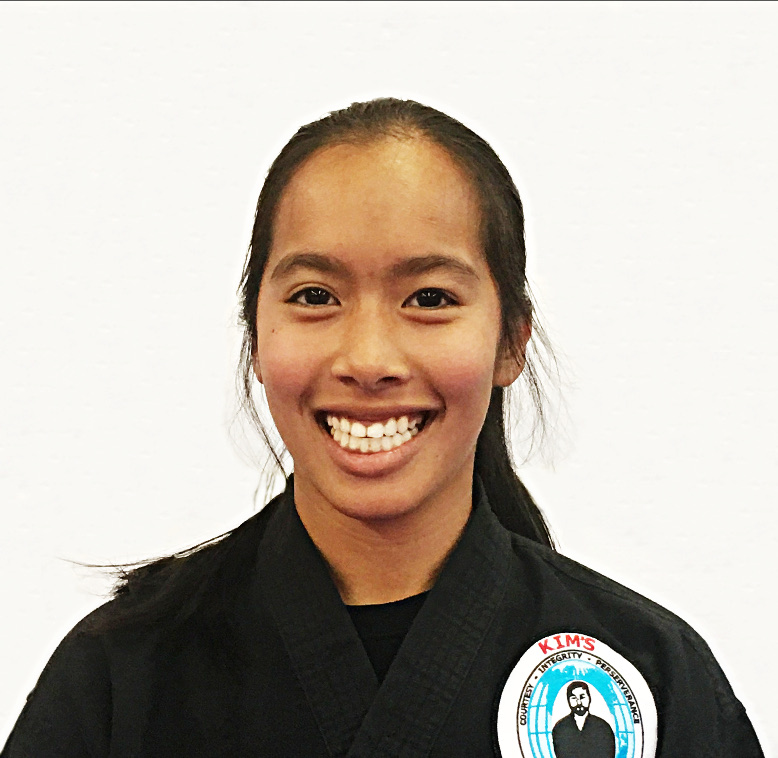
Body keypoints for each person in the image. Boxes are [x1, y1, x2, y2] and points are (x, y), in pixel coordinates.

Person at [1, 98, 764, 757]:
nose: (368, 359)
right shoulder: (123, 675)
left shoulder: (650, 673)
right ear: (256, 337)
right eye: (315, 296)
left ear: (510, 342)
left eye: (429, 299)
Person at [552, 681, 615, 758]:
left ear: (589, 698)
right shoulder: (560, 728)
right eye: (574, 698)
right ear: (568, 700)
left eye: (582, 697)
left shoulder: (603, 727)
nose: (579, 702)